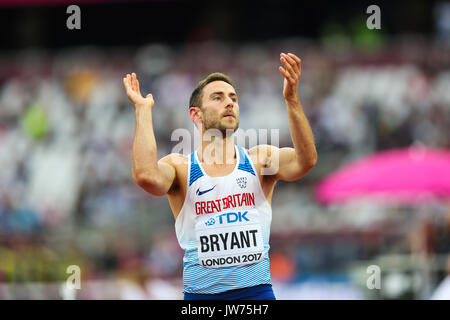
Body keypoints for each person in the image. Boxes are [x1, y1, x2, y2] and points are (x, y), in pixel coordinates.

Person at [123, 52, 317, 300]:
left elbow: (306, 160)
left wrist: (291, 100)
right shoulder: (181, 168)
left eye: (233, 98)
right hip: (202, 298)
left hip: (256, 295)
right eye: (218, 98)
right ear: (196, 115)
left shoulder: (259, 161)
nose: (229, 103)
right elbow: (145, 176)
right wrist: (142, 110)